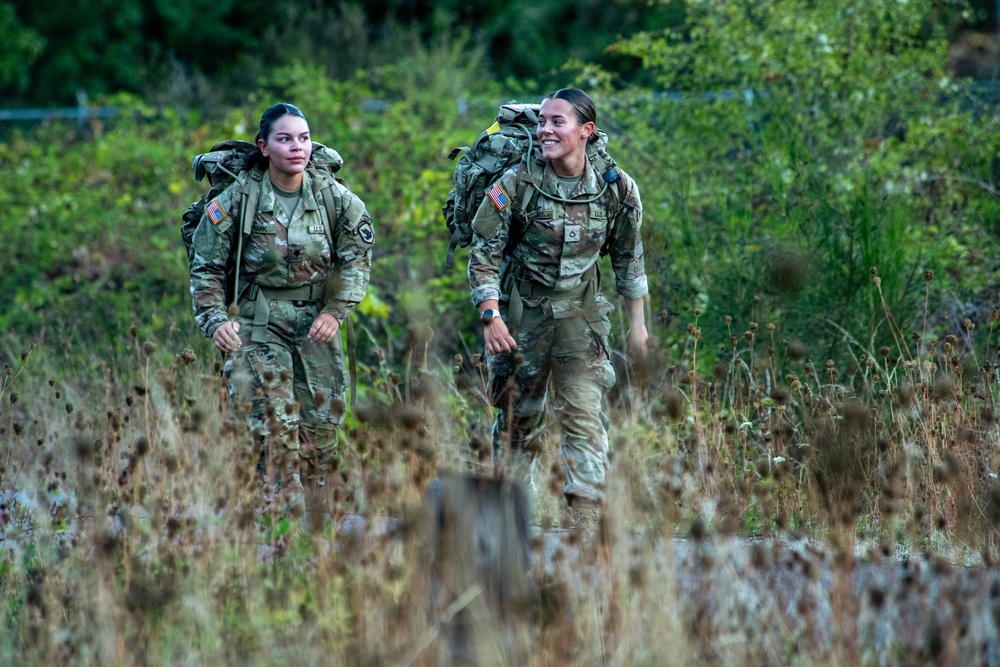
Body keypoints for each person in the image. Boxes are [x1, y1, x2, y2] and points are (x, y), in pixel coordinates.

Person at [467, 88, 648, 547]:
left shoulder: (615, 187)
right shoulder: (516, 183)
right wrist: (491, 315)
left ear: (586, 131)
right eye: (542, 122)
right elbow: (484, 254)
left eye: (557, 122)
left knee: (586, 416)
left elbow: (629, 258)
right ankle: (508, 519)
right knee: (517, 419)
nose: (545, 130)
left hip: (581, 319)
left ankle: (587, 520)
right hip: (521, 318)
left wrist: (638, 325)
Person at [189, 102, 374, 517]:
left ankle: (315, 527)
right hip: (257, 324)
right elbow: (206, 268)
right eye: (285, 139)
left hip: (315, 326)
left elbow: (356, 261)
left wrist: (335, 311)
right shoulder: (237, 200)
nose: (297, 147)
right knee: (276, 428)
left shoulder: (335, 199)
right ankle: (275, 526)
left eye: (304, 139)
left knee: (322, 432)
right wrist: (216, 320)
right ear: (264, 146)